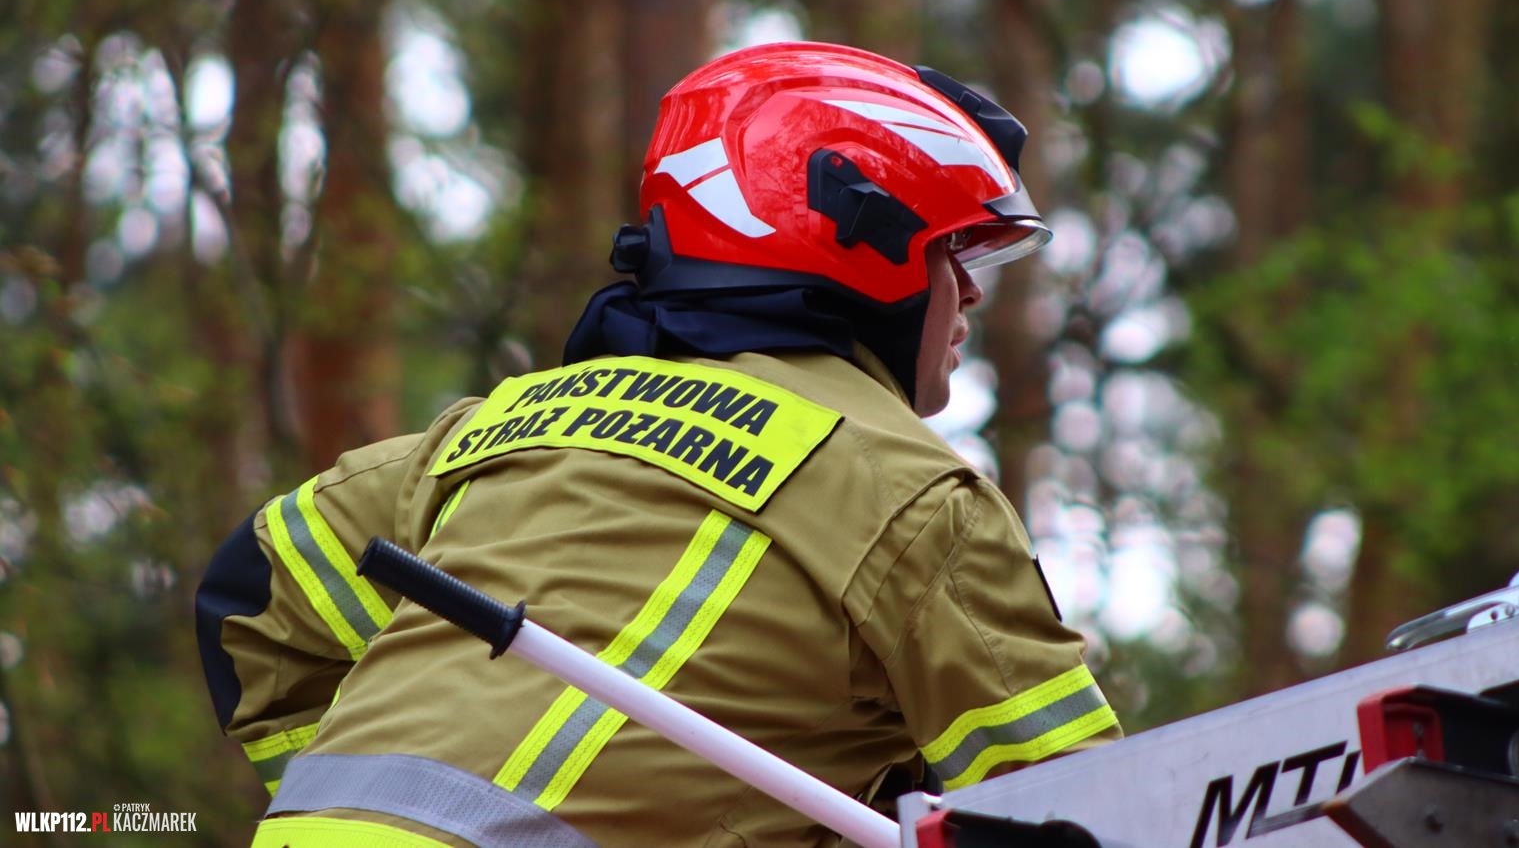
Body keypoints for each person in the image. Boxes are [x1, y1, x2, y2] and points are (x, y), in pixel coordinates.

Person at [195, 41, 1120, 848]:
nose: (974, 292)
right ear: (861, 242)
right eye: (954, 252)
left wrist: (355, 806)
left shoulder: (501, 423)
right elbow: (1085, 809)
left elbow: (252, 594)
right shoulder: (912, 494)